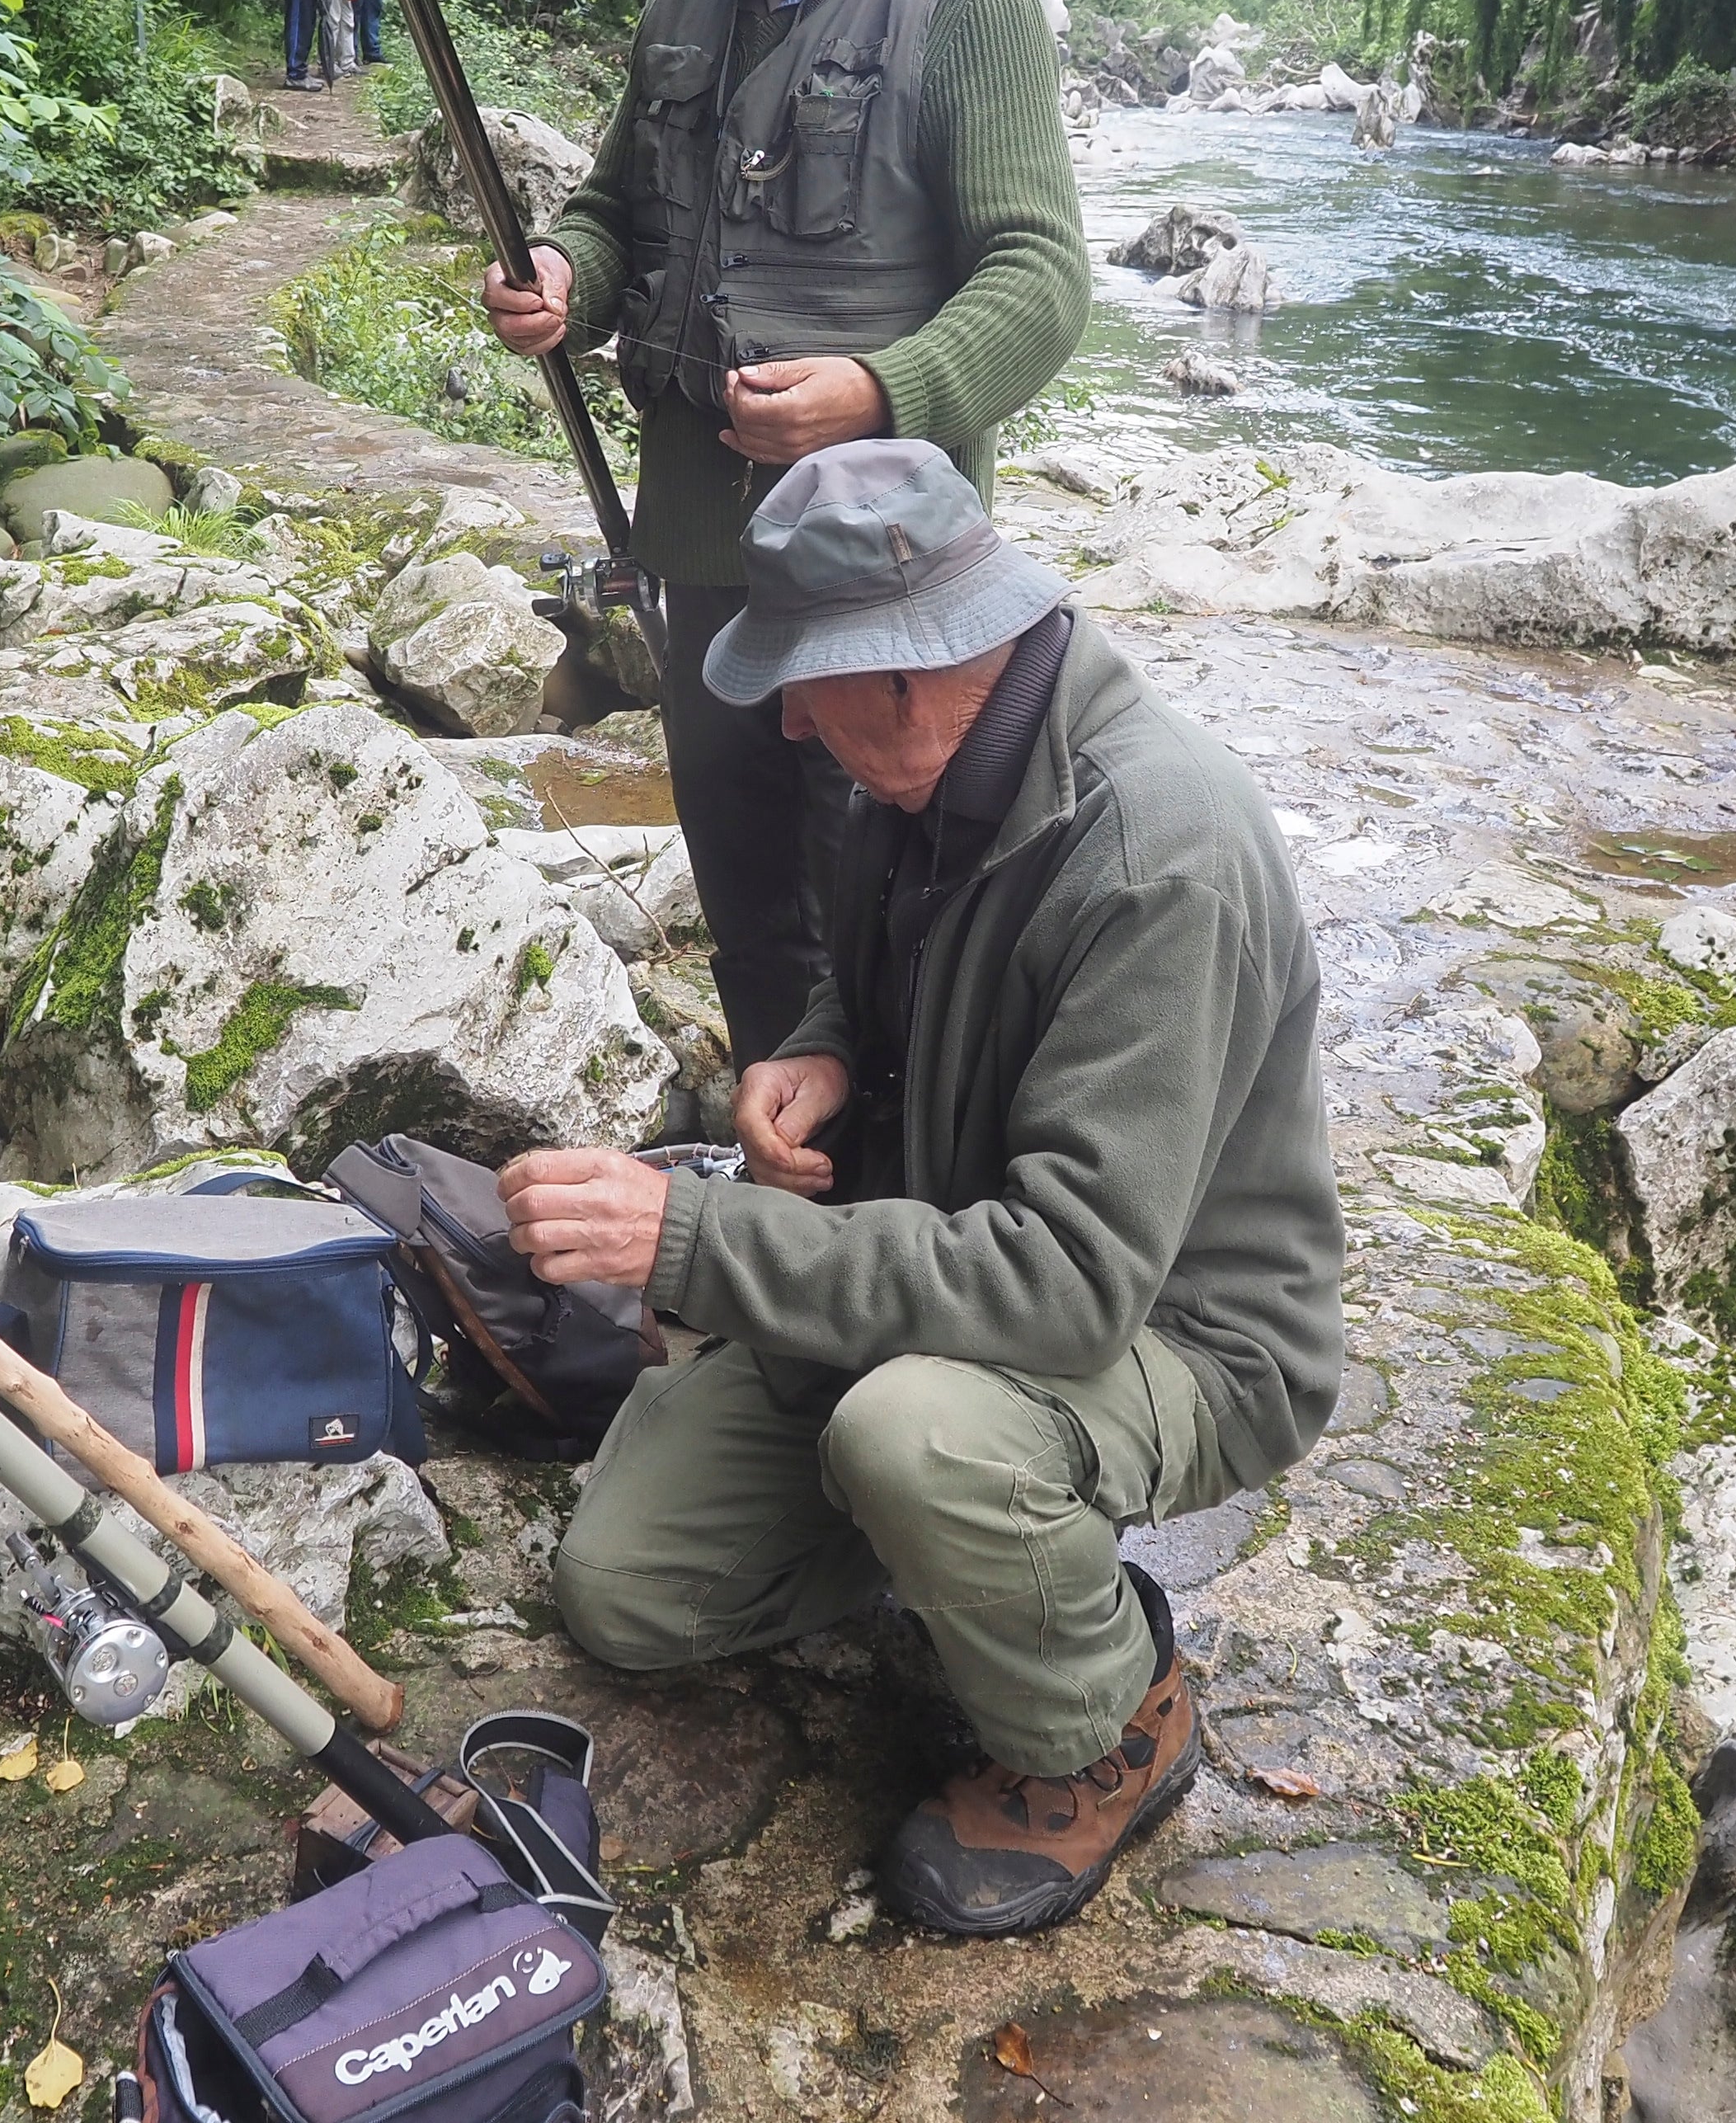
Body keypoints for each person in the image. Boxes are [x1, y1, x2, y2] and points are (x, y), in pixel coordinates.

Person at [501, 440, 1337, 1938]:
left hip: (1180, 1332)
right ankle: (960, 1551)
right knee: (627, 1592)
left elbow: (1066, 1286)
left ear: (917, 661)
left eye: (810, 683)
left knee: (913, 1437)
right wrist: (819, 1052)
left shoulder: (1163, 854)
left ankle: (1102, 1724)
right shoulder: (918, 774)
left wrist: (688, 1236)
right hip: (956, 1265)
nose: (793, 720)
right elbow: (875, 988)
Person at [481, 0, 1087, 1068]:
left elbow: (1043, 277)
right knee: (747, 895)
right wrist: (567, 271)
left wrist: (878, 392)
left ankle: (900, 1211)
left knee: (887, 904)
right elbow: (616, 206)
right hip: (699, 542)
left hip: (887, 579)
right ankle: (776, 1172)